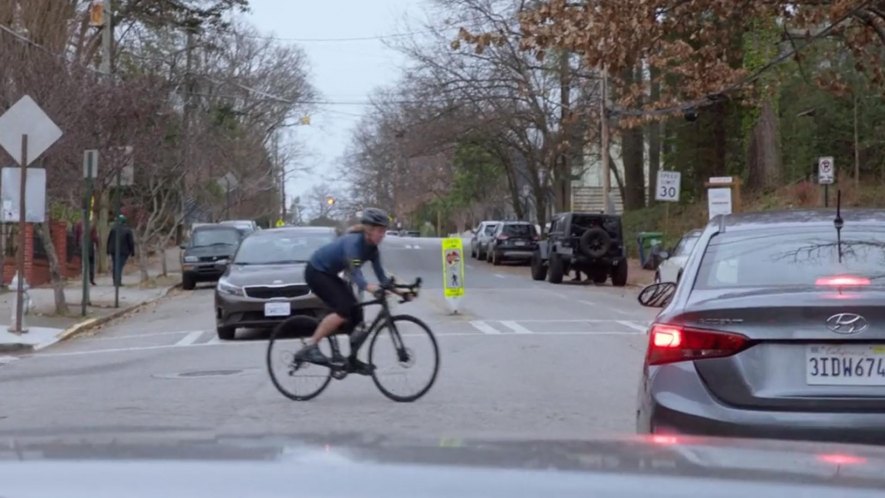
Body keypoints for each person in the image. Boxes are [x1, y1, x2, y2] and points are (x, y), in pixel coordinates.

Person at [294, 208, 395, 374]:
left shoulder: (372, 249)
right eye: (379, 231)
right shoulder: (353, 244)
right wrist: (370, 287)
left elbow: (382, 278)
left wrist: (403, 292)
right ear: (369, 230)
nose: (382, 235)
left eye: (384, 231)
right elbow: (355, 271)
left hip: (329, 274)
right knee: (343, 309)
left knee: (356, 312)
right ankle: (310, 346)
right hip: (316, 272)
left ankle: (352, 360)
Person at [107, 214, 135, 286]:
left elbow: (109, 240)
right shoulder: (128, 230)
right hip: (123, 251)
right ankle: (118, 281)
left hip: (114, 250)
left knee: (115, 265)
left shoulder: (113, 229)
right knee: (119, 266)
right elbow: (130, 242)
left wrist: (108, 250)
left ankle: (115, 280)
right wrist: (132, 252)